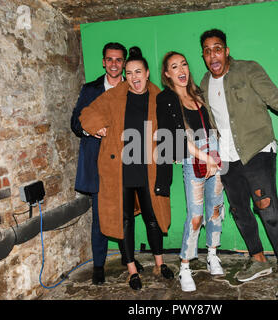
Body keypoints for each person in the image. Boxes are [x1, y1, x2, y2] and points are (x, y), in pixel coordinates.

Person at [198, 29, 278, 297]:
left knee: (266, 206)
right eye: (207, 51)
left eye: (217, 48)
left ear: (226, 51)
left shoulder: (248, 69)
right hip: (227, 157)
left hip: (256, 149)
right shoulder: (205, 83)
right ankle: (257, 259)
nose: (212, 55)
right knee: (239, 210)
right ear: (204, 56)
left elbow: (272, 95)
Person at [79, 46, 174, 290]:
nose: (134, 77)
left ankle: (158, 262)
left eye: (138, 71)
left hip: (148, 167)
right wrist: (98, 126)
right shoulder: (115, 95)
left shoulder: (159, 96)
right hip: (120, 169)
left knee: (153, 218)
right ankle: (131, 268)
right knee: (125, 221)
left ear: (147, 72)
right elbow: (87, 113)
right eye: (129, 72)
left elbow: (171, 128)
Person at [70, 42, 143, 285]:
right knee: (102, 215)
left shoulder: (132, 87)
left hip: (125, 162)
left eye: (118, 60)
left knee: (126, 212)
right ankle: (99, 265)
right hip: (98, 163)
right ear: (103, 62)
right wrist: (92, 130)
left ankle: (127, 257)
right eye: (109, 59)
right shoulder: (90, 89)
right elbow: (76, 123)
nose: (114, 64)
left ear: (124, 63)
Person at [156, 51, 224, 292]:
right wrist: (206, 158)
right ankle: (185, 266)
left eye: (183, 64)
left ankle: (212, 254)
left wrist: (216, 156)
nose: (181, 69)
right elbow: (174, 137)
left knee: (215, 210)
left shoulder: (198, 94)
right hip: (193, 158)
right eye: (174, 66)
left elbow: (213, 127)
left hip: (214, 153)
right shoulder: (166, 98)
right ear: (167, 74)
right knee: (195, 217)